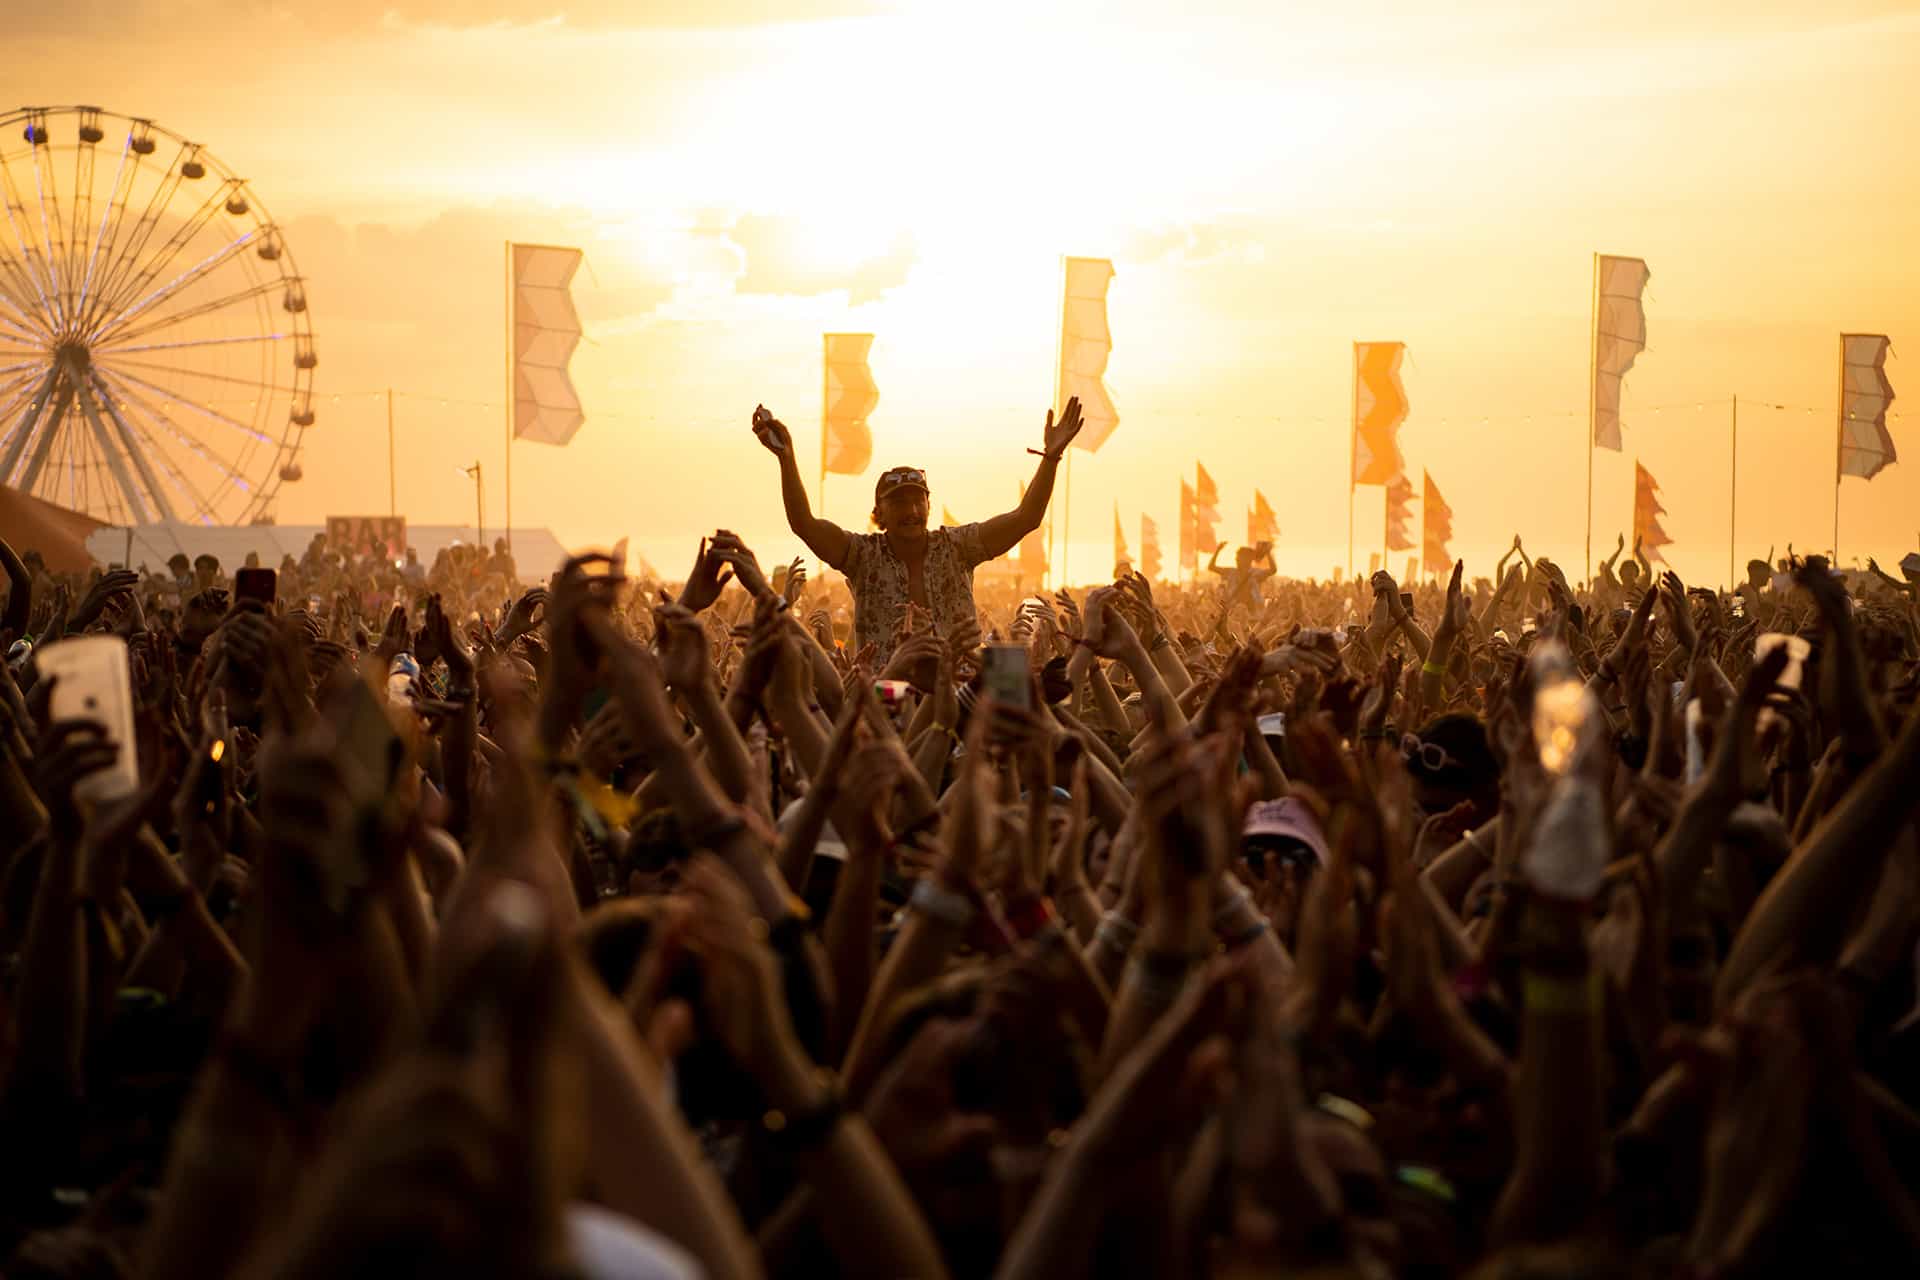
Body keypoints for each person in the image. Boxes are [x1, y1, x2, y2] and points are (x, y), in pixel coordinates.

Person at [749, 398, 1085, 663]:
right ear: (879, 512)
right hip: (885, 699)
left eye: (917, 501)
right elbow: (804, 524)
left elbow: (1026, 518)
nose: (911, 511)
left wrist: (1051, 458)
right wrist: (786, 459)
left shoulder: (957, 546)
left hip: (959, 695)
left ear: (928, 505)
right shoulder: (862, 556)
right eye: (899, 502)